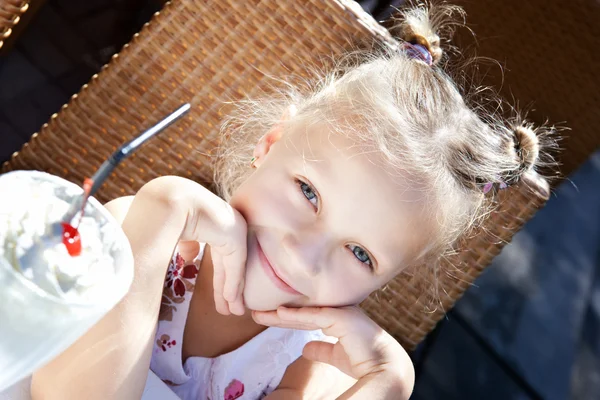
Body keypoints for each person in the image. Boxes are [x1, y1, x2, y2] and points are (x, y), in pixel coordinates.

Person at [30, 2, 557, 399]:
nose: (305, 255)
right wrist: (165, 205)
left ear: (388, 278)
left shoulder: (307, 367)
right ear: (269, 145)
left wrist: (382, 386)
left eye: (361, 254)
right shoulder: (143, 237)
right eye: (309, 193)